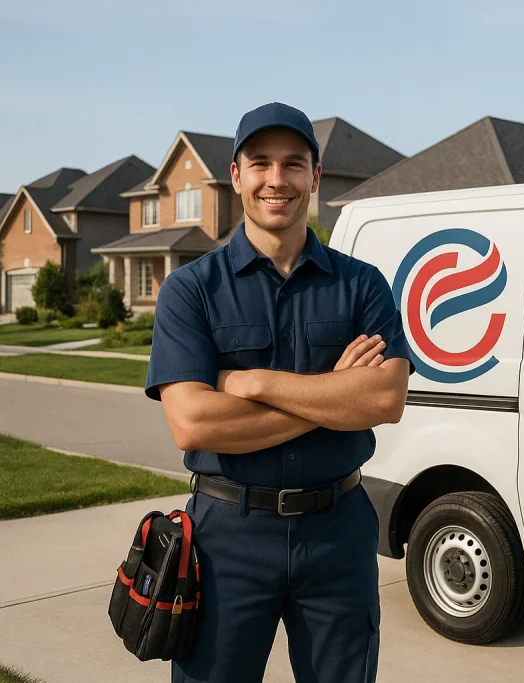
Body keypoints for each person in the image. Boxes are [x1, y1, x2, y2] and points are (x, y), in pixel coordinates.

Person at [143, 101, 415, 683]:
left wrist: (258, 384)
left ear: (314, 178)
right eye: (260, 162)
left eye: (294, 164)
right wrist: (336, 396)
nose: (277, 179)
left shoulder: (360, 284)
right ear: (236, 176)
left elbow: (385, 400)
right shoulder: (191, 290)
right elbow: (193, 423)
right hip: (227, 538)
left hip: (337, 532)